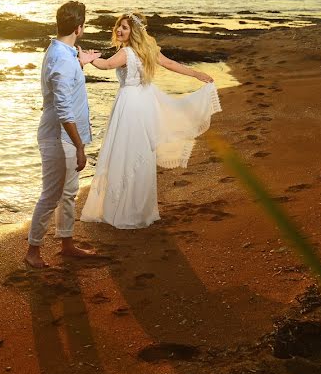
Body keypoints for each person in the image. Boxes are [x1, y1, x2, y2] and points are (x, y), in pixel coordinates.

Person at [80, 12, 220, 229]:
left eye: (124, 27)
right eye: (118, 26)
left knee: (126, 152)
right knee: (141, 152)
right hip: (145, 102)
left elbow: (107, 65)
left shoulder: (127, 52)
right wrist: (195, 73)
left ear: (133, 31)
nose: (119, 30)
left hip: (130, 104)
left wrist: (88, 60)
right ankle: (139, 209)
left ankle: (124, 209)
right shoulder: (147, 51)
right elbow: (171, 64)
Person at [25, 1, 102, 268]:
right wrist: (80, 147)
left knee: (69, 192)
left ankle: (67, 243)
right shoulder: (62, 59)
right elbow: (63, 109)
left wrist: (83, 60)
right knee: (51, 194)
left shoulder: (64, 52)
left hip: (66, 137)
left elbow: (66, 75)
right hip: (58, 138)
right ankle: (33, 252)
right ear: (79, 28)